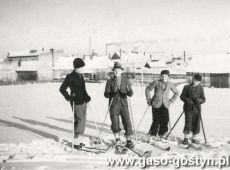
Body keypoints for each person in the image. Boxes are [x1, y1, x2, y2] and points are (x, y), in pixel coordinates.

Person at [59, 58, 91, 144]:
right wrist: (68, 97)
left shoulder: (81, 76)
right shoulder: (70, 77)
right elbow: (62, 89)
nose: (82, 69)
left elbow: (83, 89)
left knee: (83, 122)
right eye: (81, 68)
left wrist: (87, 96)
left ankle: (79, 141)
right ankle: (75, 141)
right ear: (76, 68)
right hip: (76, 102)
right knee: (79, 121)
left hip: (83, 102)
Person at [104, 62, 134, 148]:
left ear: (121, 71)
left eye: (118, 70)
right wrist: (110, 94)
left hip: (123, 104)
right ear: (114, 71)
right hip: (113, 105)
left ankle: (129, 140)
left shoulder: (126, 80)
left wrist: (129, 92)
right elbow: (106, 94)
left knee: (127, 122)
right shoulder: (110, 81)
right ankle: (117, 139)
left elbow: (131, 93)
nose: (117, 72)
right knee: (115, 123)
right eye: (115, 70)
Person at [145, 70, 179, 142]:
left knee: (165, 120)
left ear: (168, 77)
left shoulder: (170, 84)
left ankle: (162, 134)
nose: (164, 77)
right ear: (161, 76)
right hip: (156, 103)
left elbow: (176, 93)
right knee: (156, 120)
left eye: (166, 76)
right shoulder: (156, 82)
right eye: (163, 76)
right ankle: (152, 134)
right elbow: (147, 89)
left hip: (165, 104)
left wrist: (171, 101)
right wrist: (149, 99)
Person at [180, 74, 206, 144]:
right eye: (195, 80)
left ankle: (194, 138)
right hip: (188, 107)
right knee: (188, 122)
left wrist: (199, 100)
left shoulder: (201, 88)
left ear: (199, 82)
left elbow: (203, 99)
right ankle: (186, 138)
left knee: (196, 122)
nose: (196, 82)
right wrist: (187, 100)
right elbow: (182, 96)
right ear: (193, 79)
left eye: (198, 81)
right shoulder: (187, 87)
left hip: (197, 108)